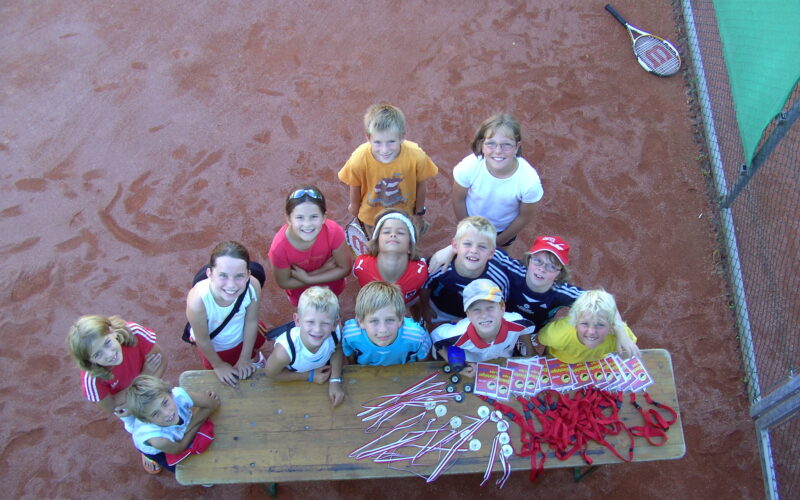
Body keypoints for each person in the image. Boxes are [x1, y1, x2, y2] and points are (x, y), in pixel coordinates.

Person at [67, 315, 168, 473]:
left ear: (112, 331)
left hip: (141, 392)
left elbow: (162, 360)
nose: (109, 355)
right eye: (98, 355)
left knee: (165, 410)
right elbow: (111, 407)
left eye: (107, 343)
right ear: (89, 361)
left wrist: (127, 396)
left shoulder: (134, 332)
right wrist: (145, 375)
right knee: (137, 427)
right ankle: (148, 452)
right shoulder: (91, 378)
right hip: (137, 395)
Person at [338, 104, 439, 236]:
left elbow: (421, 185)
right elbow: (355, 187)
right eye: (377, 142)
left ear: (402, 137)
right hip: (371, 219)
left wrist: (419, 213)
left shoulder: (417, 156)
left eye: (391, 142)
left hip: (404, 216)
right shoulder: (358, 159)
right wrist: (355, 209)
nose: (384, 150)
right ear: (368, 138)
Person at [451, 113, 543, 247]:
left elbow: (524, 218)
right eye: (491, 144)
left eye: (506, 145)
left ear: (517, 147)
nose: (498, 151)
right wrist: (467, 231)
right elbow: (458, 200)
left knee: (500, 259)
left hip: (503, 231)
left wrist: (498, 242)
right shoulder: (468, 167)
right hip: (472, 225)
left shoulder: (529, 182)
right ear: (482, 145)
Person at [419, 216, 526, 327]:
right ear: (455, 246)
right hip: (440, 310)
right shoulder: (441, 266)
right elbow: (425, 285)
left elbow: (501, 300)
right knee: (434, 332)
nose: (474, 250)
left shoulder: (498, 278)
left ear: (491, 253)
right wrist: (425, 308)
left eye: (482, 246)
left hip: (475, 317)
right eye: (467, 244)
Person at [187, 241, 266, 388]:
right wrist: (218, 365)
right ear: (210, 274)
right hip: (217, 347)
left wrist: (244, 358)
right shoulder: (198, 301)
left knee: (254, 350)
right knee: (218, 379)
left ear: (249, 274)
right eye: (223, 276)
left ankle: (255, 359)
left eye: (239, 276)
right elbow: (202, 339)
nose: (231, 285)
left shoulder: (253, 286)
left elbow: (251, 321)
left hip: (243, 336)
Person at [431, 279, 535, 377]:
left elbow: (525, 329)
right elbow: (436, 338)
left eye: (490, 307)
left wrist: (529, 352)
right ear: (468, 314)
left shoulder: (517, 322)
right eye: (476, 309)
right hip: (474, 366)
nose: (484, 315)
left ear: (502, 307)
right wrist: (459, 367)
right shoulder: (456, 334)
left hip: (504, 362)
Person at [268, 186, 351, 307]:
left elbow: (345, 269)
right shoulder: (279, 249)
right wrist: (321, 271)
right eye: (300, 217)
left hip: (331, 288)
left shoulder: (334, 232)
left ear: (324, 217)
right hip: (302, 296)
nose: (307, 224)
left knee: (332, 311)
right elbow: (284, 282)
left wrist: (309, 280)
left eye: (314, 217)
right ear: (288, 219)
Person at [264, 287, 346, 407]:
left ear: (335, 324)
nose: (317, 330)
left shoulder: (336, 333)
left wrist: (335, 380)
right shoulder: (284, 352)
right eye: (310, 322)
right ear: (297, 320)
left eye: (325, 323)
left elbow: (337, 349)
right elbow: (271, 374)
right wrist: (310, 376)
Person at [126, 375, 220, 475]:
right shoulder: (157, 441)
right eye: (155, 413)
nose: (167, 413)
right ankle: (148, 457)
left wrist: (186, 429)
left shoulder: (178, 395)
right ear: (146, 420)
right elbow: (179, 448)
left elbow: (212, 403)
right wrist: (196, 421)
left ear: (170, 393)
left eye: (165, 403)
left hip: (172, 437)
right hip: (156, 450)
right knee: (177, 469)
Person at [537, 289, 641, 363]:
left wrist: (620, 330)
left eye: (599, 324)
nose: (591, 331)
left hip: (595, 363)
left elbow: (629, 341)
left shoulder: (621, 338)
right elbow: (542, 338)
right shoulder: (556, 335)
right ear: (575, 323)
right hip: (559, 361)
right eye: (584, 324)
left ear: (611, 325)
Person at [341, 281, 432, 365]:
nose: (383, 330)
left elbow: (423, 366)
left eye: (390, 320)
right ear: (360, 321)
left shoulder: (418, 337)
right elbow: (351, 364)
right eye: (374, 321)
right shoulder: (350, 335)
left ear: (401, 319)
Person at [506, 235, 584, 331]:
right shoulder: (510, 270)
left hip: (535, 334)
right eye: (538, 260)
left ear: (559, 274)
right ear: (528, 260)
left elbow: (595, 300)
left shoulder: (561, 293)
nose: (542, 269)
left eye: (551, 266)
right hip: (501, 325)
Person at [352, 209, 428, 305]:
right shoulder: (361, 266)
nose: (393, 235)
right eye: (386, 232)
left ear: (410, 247)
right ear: (377, 243)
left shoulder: (421, 271)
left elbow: (417, 297)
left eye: (400, 232)